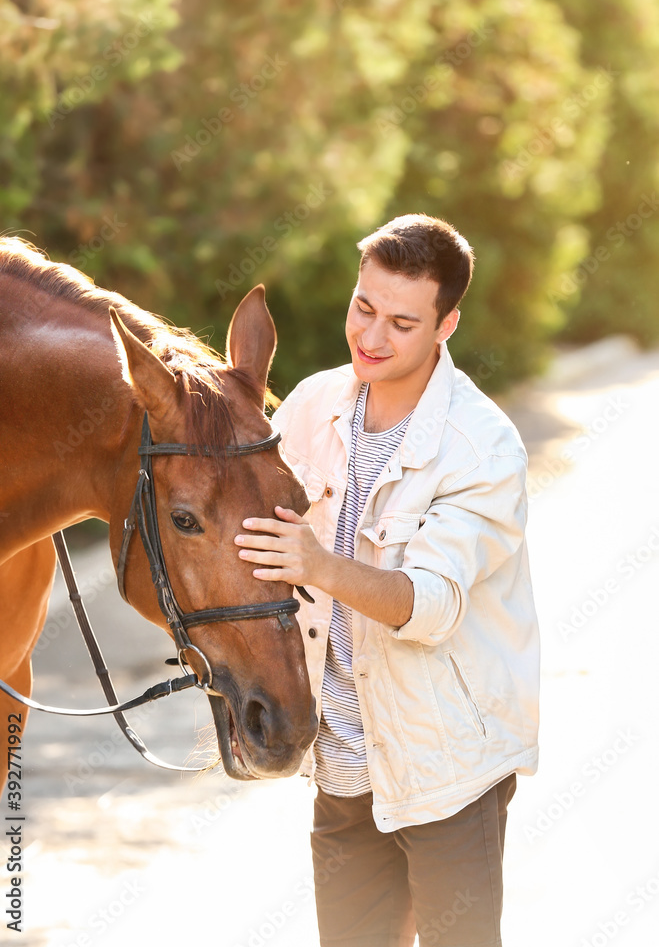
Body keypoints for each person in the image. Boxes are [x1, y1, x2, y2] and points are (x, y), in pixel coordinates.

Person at [234, 213, 539, 947]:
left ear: (446, 324)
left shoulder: (481, 447)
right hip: (339, 766)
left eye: (401, 323)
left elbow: (429, 606)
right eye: (362, 308)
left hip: (446, 771)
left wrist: (319, 564)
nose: (371, 337)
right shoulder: (312, 405)